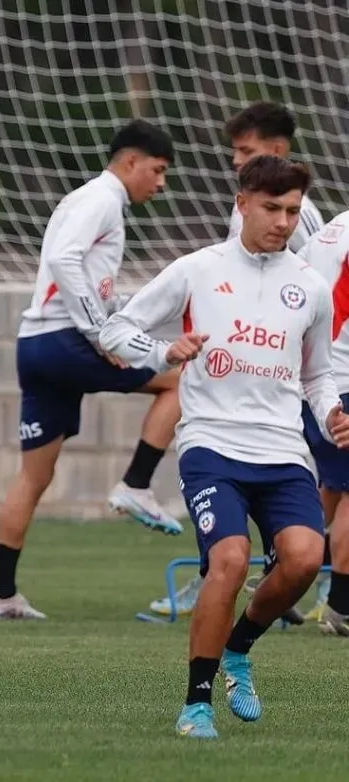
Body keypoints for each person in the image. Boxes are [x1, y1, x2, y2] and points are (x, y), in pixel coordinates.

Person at [99, 155, 349, 739]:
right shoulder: (197, 269)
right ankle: (197, 705)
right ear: (242, 204)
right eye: (271, 208)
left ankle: (238, 649)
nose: (284, 222)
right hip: (211, 444)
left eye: (292, 211)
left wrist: (333, 412)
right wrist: (165, 354)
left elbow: (315, 376)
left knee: (307, 560)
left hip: (283, 450)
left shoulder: (309, 287)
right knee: (230, 561)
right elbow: (116, 328)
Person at [0, 119, 182, 622]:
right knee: (181, 379)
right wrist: (99, 333)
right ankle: (136, 484)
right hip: (64, 340)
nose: (160, 184)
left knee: (34, 475)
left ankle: (0, 595)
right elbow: (65, 261)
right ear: (130, 162)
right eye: (157, 171)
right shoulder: (101, 199)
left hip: (36, 346)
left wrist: (110, 319)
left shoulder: (85, 200)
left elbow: (81, 272)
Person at [149, 101, 327, 620]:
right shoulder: (240, 221)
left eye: (246, 151)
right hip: (235, 402)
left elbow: (307, 297)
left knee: (319, 498)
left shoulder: (298, 220)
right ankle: (235, 580)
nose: (236, 160)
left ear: (275, 152)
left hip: (287, 382)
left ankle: (289, 590)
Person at [297, 212, 349, 634]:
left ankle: (281, 575)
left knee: (332, 487)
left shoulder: (331, 229)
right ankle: (341, 607)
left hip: (314, 381)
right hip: (344, 382)